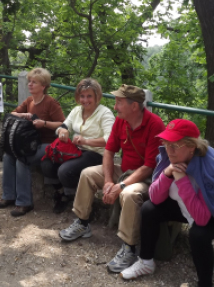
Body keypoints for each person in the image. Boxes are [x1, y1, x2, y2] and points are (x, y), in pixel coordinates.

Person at [59, 84, 165, 273]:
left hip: (145, 177)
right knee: (88, 174)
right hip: (123, 171)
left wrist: (121, 185)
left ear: (134, 106)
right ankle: (83, 223)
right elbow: (109, 151)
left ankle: (129, 247)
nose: (115, 107)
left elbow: (149, 167)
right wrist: (108, 180)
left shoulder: (154, 124)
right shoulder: (121, 121)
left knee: (130, 194)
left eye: (119, 102)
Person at [120, 119, 214, 287]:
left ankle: (205, 284)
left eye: (175, 145)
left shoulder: (209, 167)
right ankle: (146, 262)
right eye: (166, 143)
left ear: (192, 146)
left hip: (208, 213)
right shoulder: (167, 157)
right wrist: (167, 173)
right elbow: (155, 197)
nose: (169, 150)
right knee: (149, 209)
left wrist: (182, 179)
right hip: (186, 207)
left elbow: (202, 218)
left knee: (199, 234)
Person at [0, 68, 65, 217]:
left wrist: (44, 123)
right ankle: (8, 196)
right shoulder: (29, 101)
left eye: (34, 82)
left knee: (22, 159)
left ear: (43, 86)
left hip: (49, 143)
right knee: (8, 156)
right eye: (29, 82)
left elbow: (63, 125)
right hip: (30, 142)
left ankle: (24, 202)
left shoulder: (51, 103)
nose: (30, 85)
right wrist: (22, 114)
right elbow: (12, 114)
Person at [41, 78, 115, 213]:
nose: (85, 100)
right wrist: (62, 130)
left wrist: (86, 141)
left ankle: (77, 200)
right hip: (76, 150)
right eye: (82, 96)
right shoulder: (76, 111)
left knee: (65, 170)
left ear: (97, 96)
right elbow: (64, 126)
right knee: (47, 163)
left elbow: (110, 139)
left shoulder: (105, 113)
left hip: (96, 153)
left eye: (89, 96)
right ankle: (62, 192)